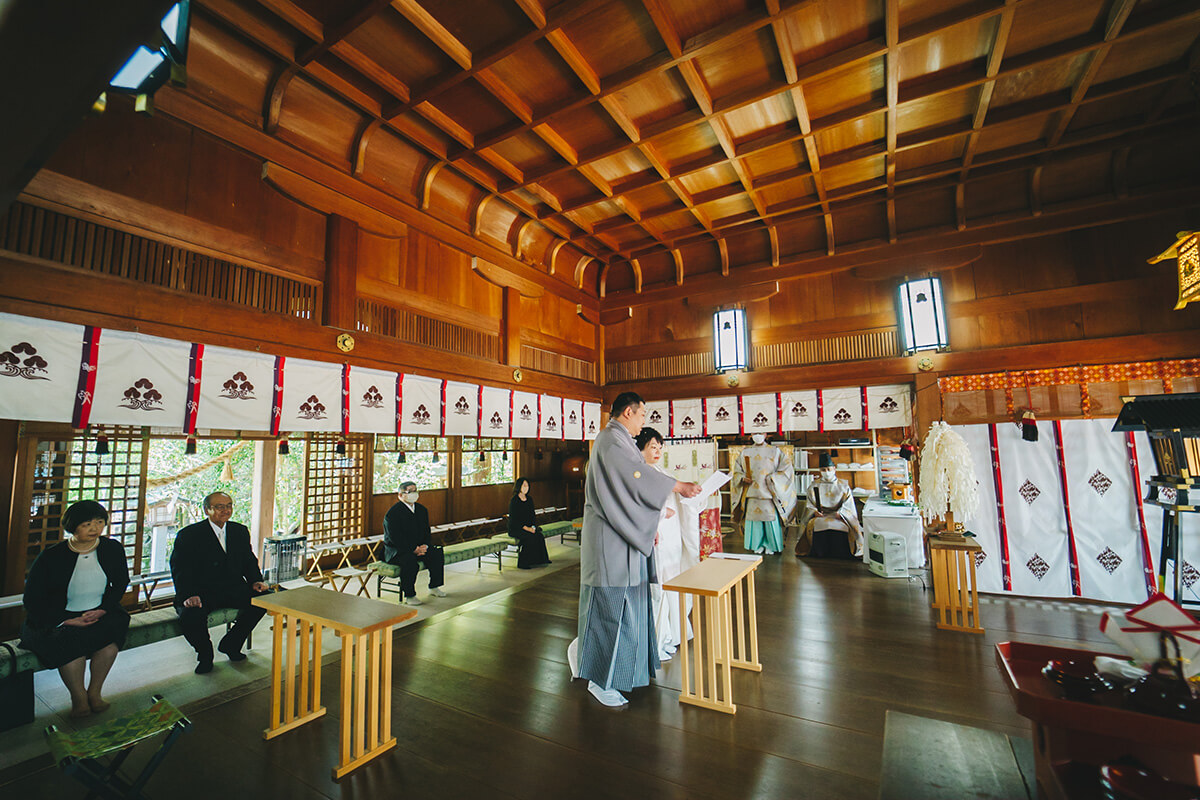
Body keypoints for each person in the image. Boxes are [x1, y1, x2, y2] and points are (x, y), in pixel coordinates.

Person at [571, 392, 701, 707]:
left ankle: (619, 675)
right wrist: (679, 486)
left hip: (622, 541)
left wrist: (646, 525)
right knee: (608, 613)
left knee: (626, 611)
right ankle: (600, 681)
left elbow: (632, 488)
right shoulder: (611, 441)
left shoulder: (619, 442)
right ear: (629, 412)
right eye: (643, 414)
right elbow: (637, 479)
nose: (644, 421)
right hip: (610, 548)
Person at [21, 500, 130, 718]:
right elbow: (33, 598)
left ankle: (95, 693)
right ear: (73, 526)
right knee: (70, 648)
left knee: (109, 646)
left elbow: (120, 583)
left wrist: (103, 610)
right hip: (59, 617)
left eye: (99, 522)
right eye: (87, 524)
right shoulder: (52, 556)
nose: (94, 529)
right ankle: (78, 698)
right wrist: (64, 620)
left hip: (99, 611)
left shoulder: (112, 548)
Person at [171, 492, 269, 674]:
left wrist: (256, 581)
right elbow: (180, 568)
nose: (226, 510)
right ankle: (205, 656)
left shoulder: (239, 531)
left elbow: (249, 560)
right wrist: (188, 595)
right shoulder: (189, 535)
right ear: (207, 510)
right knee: (190, 617)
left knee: (265, 599)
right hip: (201, 592)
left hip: (233, 589)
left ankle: (231, 644)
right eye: (219, 507)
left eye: (229, 505)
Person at [636, 427, 700, 662]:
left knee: (672, 582)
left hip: (671, 536)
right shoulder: (640, 471)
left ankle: (672, 635)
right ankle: (657, 639)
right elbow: (640, 504)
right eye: (653, 446)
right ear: (640, 447)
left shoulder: (661, 471)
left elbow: (673, 491)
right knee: (659, 588)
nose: (657, 451)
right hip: (658, 535)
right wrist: (663, 512)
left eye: (660, 447)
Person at [383, 481, 447, 605]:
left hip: (419, 547)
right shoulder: (393, 514)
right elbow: (394, 537)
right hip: (398, 550)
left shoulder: (422, 510)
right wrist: (413, 549)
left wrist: (425, 546)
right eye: (410, 491)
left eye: (415, 491)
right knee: (409, 562)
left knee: (436, 553)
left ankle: (434, 586)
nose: (414, 494)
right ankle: (410, 595)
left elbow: (426, 531)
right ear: (401, 495)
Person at [730, 433, 796, 554]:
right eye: (755, 433)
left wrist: (773, 478)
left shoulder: (775, 451)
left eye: (760, 433)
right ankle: (756, 545)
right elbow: (737, 472)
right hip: (751, 492)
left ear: (766, 434)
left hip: (768, 493)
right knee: (754, 521)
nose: (757, 435)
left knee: (770, 520)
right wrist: (742, 478)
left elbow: (787, 470)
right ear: (751, 434)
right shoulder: (745, 452)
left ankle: (771, 545)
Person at [796, 454, 863, 558]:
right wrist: (814, 511)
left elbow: (848, 503)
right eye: (823, 469)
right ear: (820, 470)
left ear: (834, 469)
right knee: (818, 524)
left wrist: (841, 512)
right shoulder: (814, 485)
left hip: (839, 515)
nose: (826, 472)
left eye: (828, 469)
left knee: (841, 526)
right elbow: (809, 503)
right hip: (821, 515)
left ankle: (842, 553)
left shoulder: (843, 485)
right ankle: (819, 553)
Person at [508, 477, 551, 569]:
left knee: (539, 536)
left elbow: (532, 515)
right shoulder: (514, 501)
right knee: (529, 537)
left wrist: (533, 527)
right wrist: (527, 529)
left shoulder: (529, 499)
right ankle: (523, 563)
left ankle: (541, 560)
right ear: (519, 487)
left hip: (529, 527)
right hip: (516, 528)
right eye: (524, 486)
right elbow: (515, 520)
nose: (526, 488)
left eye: (527, 486)